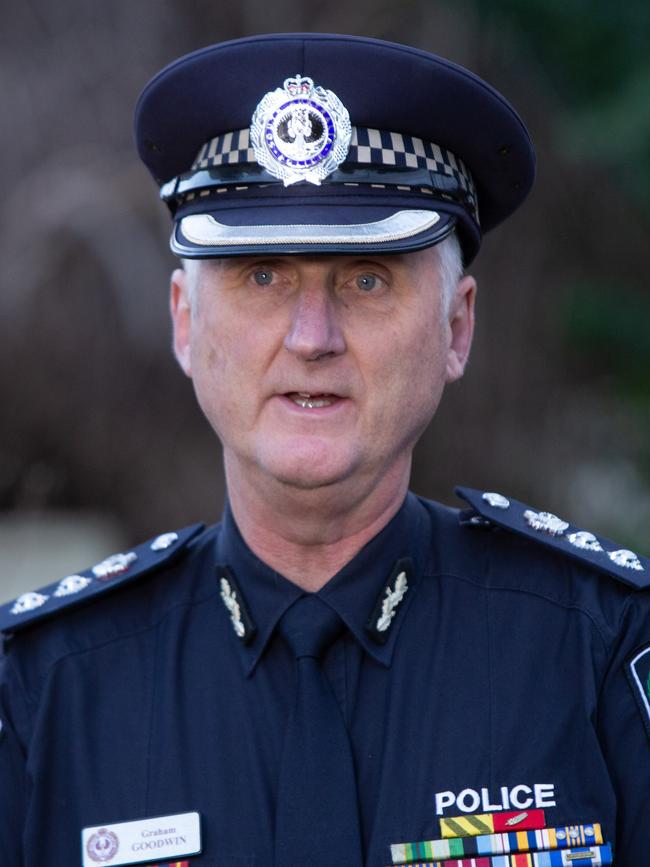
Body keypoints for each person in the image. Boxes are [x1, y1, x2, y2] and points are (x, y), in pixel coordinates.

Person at [0, 33, 648, 867]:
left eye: (368, 278)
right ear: (185, 323)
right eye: (261, 277)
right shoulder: (44, 692)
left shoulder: (600, 650)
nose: (312, 338)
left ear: (458, 326)